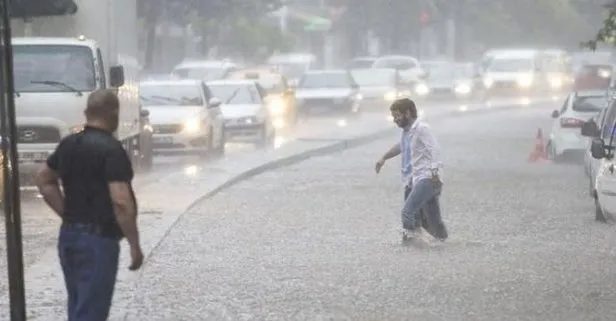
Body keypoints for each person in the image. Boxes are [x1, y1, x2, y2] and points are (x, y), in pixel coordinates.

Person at [35, 89, 143, 321]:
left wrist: (67, 214)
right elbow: (121, 201)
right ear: (114, 113)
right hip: (99, 241)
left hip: (69, 238)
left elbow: (44, 180)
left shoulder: (68, 145)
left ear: (87, 113)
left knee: (78, 305)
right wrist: (134, 244)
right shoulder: (112, 151)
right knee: (91, 312)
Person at [375, 98, 447, 242]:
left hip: (428, 178)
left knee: (408, 213)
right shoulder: (407, 132)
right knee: (432, 221)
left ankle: (411, 246)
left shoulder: (421, 128)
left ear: (407, 113)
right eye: (393, 117)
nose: (395, 120)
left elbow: (434, 149)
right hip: (412, 179)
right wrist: (384, 157)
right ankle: (443, 245)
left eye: (397, 116)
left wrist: (434, 172)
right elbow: (401, 147)